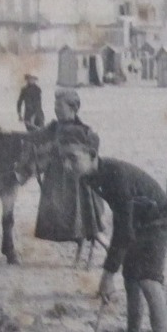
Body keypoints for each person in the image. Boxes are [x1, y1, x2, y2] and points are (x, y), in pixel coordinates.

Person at [60, 140, 167, 332]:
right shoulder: (87, 176)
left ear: (93, 155)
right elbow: (114, 218)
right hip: (136, 219)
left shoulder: (115, 176)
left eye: (73, 159)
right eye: (63, 160)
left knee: (149, 281)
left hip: (157, 219)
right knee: (130, 278)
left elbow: (123, 231)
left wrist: (107, 275)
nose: (67, 165)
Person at [31, 88, 106, 260]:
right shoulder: (55, 127)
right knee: (63, 214)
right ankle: (80, 245)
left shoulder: (82, 130)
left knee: (81, 214)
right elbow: (36, 136)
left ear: (73, 108)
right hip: (58, 180)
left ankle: (92, 246)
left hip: (76, 181)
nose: (56, 109)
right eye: (55, 105)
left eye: (60, 105)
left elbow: (93, 148)